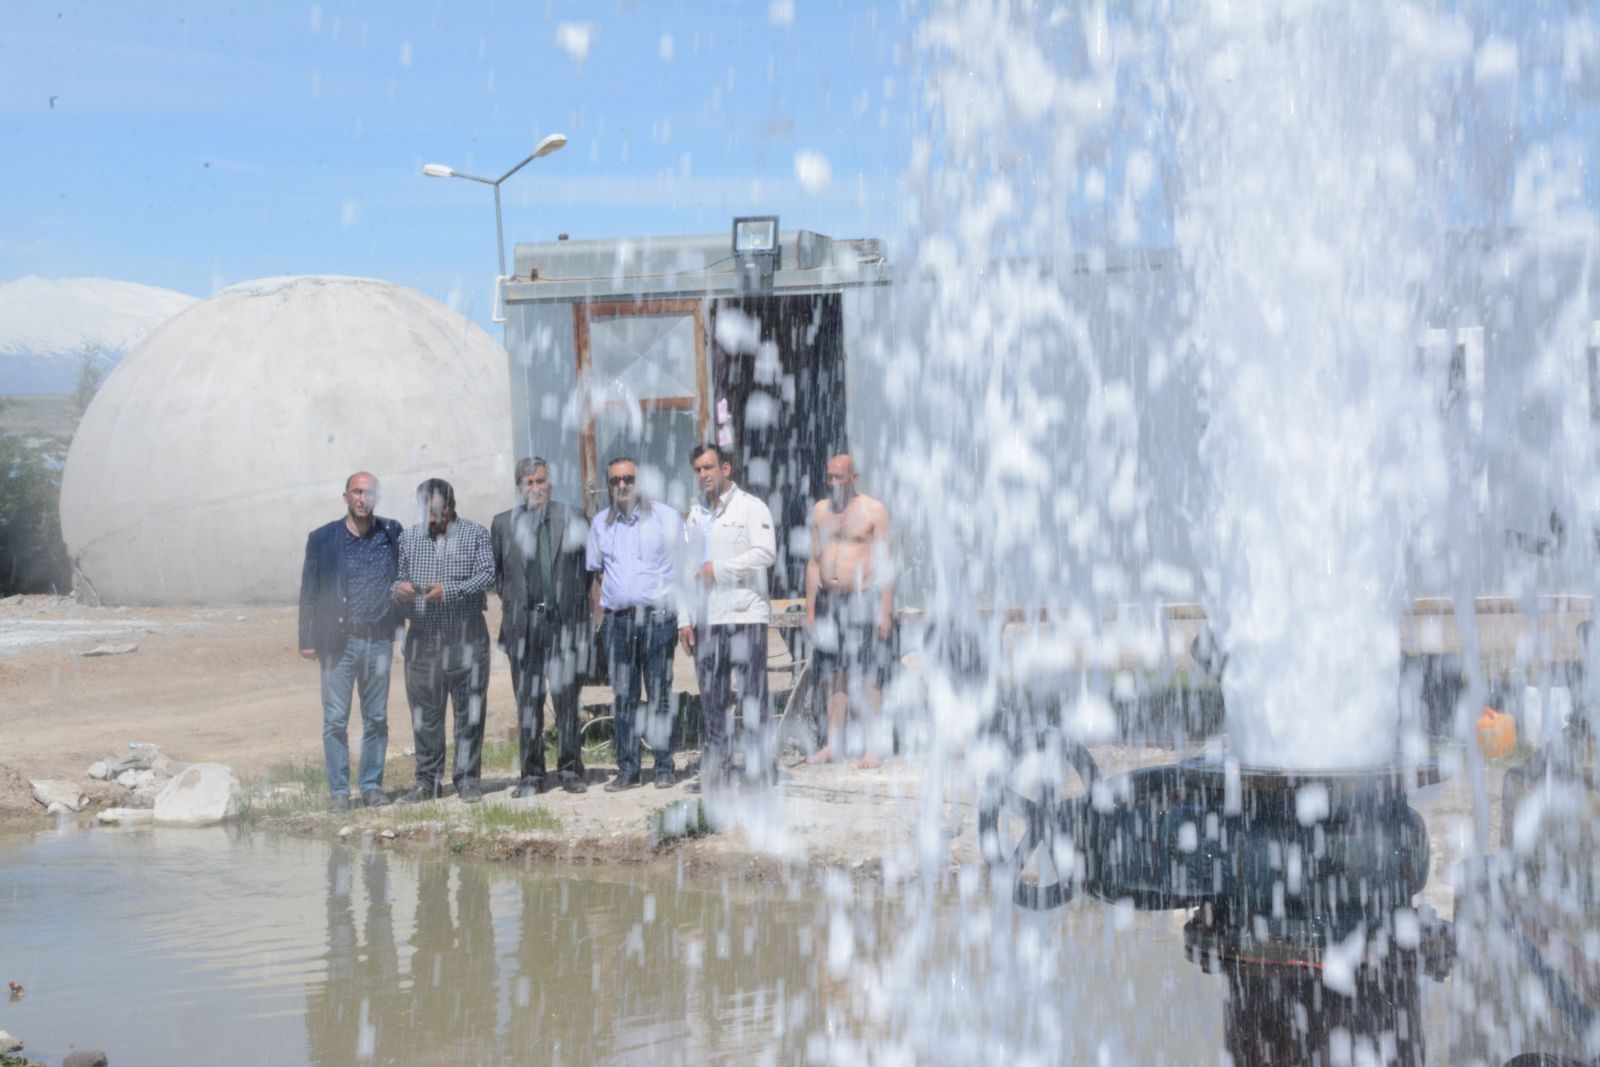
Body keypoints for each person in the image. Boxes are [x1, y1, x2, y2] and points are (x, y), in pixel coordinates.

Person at [298, 472, 405, 811]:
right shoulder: (322, 539)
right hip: (337, 643)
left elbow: (404, 577)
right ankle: (340, 793)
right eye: (356, 492)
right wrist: (307, 636)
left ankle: (372, 786)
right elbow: (309, 591)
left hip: (377, 641)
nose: (363, 498)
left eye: (369, 492)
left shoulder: (392, 533)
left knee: (376, 717)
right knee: (335, 720)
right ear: (345, 497)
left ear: (377, 497)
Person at [490, 457, 592, 796]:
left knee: (566, 699)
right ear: (520, 487)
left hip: (563, 623)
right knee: (528, 702)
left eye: (541, 481)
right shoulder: (503, 524)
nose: (536, 488)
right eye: (529, 482)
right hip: (525, 625)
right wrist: (522, 606)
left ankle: (569, 770)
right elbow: (500, 577)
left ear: (551, 483)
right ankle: (532, 775)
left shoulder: (574, 517)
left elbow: (587, 571)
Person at [679, 443, 777, 788]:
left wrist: (719, 571)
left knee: (752, 697)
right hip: (707, 621)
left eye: (708, 467)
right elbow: (687, 569)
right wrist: (683, 620)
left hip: (744, 615)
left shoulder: (751, 508)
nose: (703, 475)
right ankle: (718, 771)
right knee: (713, 700)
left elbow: (766, 553)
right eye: (698, 470)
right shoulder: (695, 515)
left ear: (725, 469)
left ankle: (760, 770)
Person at [587, 456, 687, 791]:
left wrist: (684, 618)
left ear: (639, 482)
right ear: (609, 484)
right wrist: (600, 620)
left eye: (628, 479)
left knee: (659, 695)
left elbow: (683, 570)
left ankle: (662, 767)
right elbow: (597, 575)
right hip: (618, 624)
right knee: (624, 697)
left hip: (658, 620)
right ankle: (628, 770)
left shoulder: (666, 518)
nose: (622, 485)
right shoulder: (600, 524)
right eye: (615, 480)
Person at [392, 478, 495, 804]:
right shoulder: (408, 538)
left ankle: (467, 779)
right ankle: (428, 782)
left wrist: (449, 591)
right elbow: (395, 580)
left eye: (441, 509)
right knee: (426, 716)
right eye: (429, 510)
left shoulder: (475, 534)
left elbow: (488, 576)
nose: (435, 516)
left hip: (468, 640)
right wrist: (399, 590)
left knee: (469, 713)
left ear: (452, 505)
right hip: (423, 642)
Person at [804, 454, 895, 767]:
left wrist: (885, 610)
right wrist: (811, 609)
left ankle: (873, 747)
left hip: (863, 598)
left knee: (867, 673)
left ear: (854, 478)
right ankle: (834, 744)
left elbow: (885, 562)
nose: (833, 483)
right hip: (830, 599)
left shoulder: (874, 510)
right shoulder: (820, 511)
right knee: (834, 673)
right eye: (829, 477)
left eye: (839, 477)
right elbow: (814, 561)